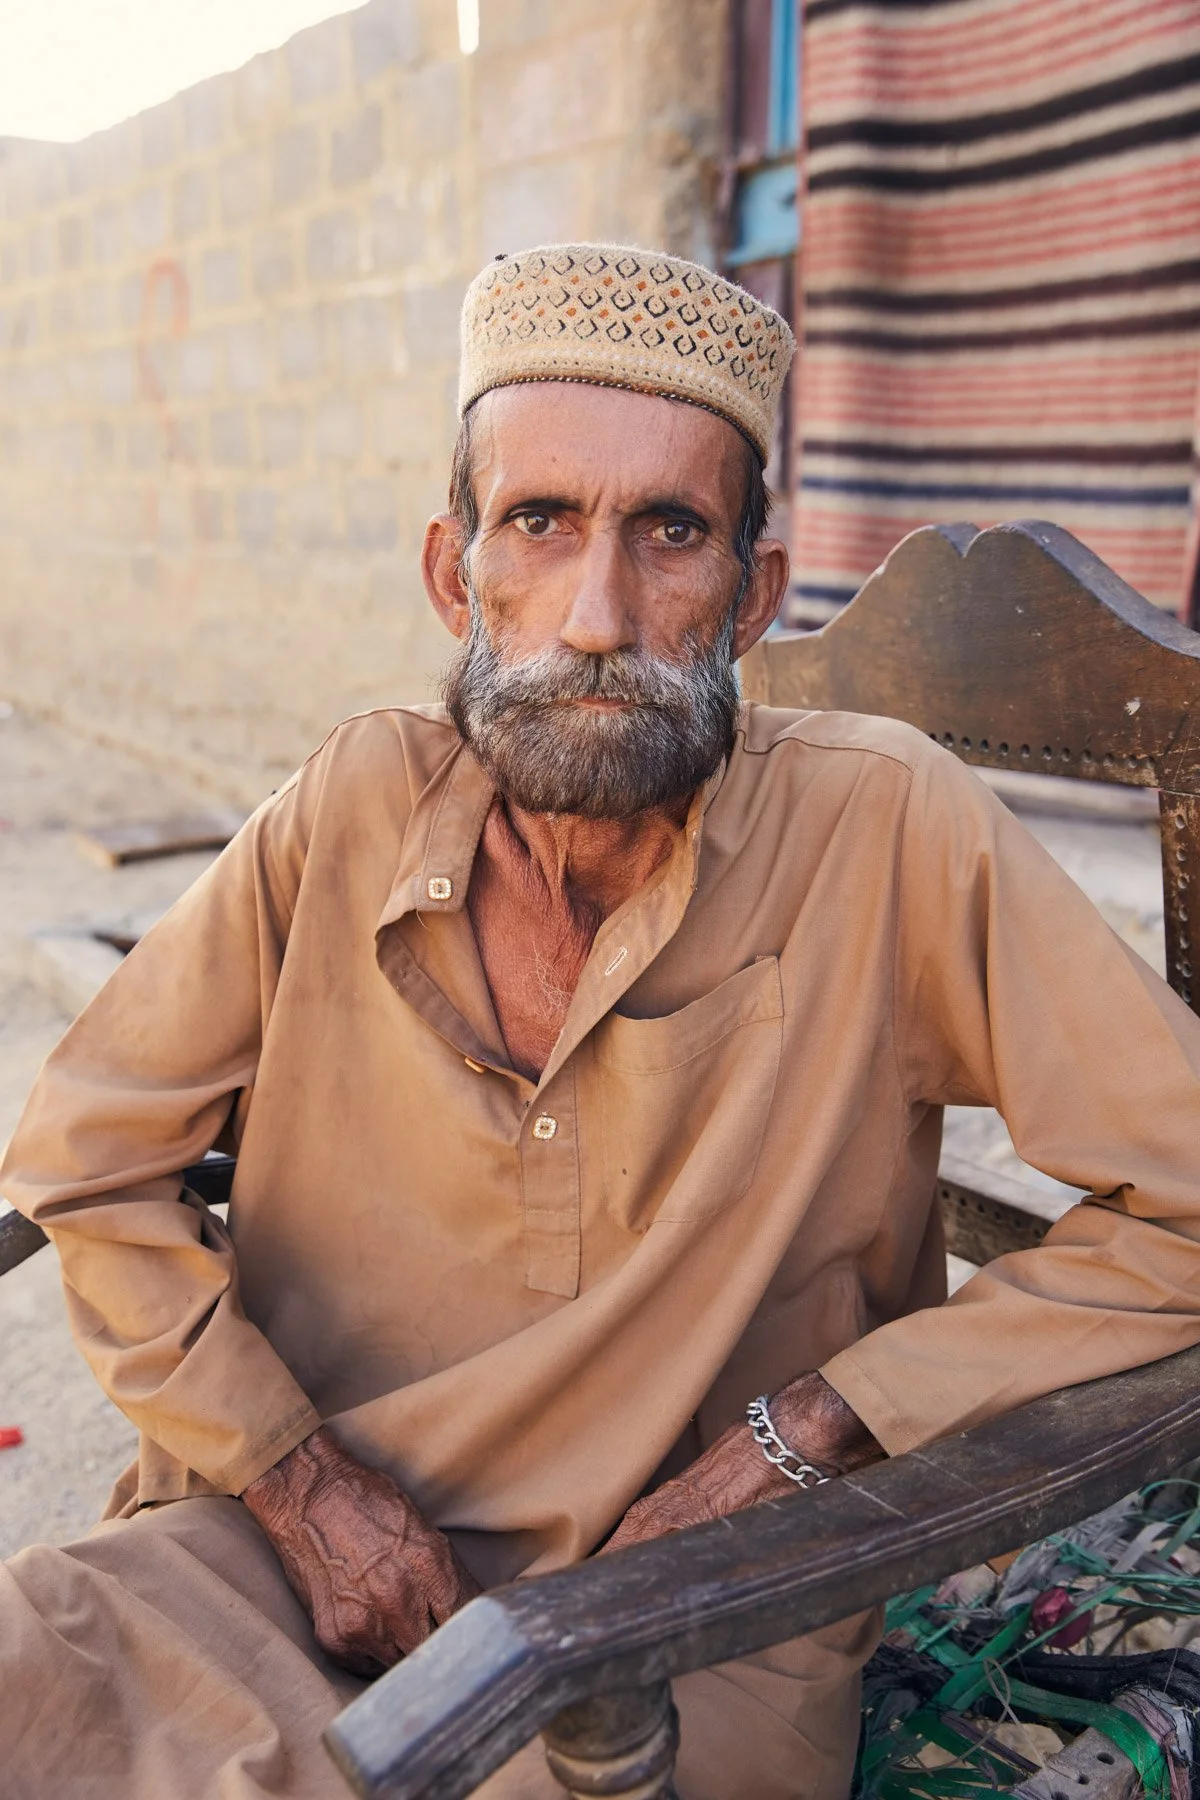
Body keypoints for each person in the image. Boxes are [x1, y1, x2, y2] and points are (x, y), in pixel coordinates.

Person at [4, 241, 1200, 1800]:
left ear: (754, 595)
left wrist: (811, 1429)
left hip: (684, 1627)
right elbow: (88, 1160)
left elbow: (1183, 1205)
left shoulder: (883, 825)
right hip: (287, 1571)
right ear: (455, 572)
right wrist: (300, 1489)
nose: (594, 613)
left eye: (672, 532)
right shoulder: (352, 804)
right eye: (542, 522)